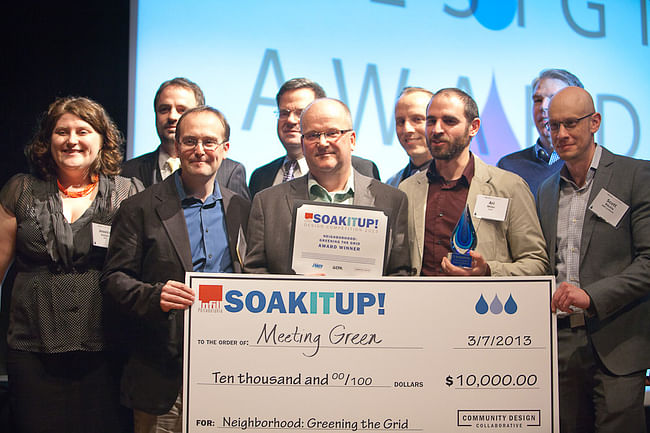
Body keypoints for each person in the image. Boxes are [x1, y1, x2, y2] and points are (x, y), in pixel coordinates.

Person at [101, 106, 250, 433]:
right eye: (190, 141)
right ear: (177, 146)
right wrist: (155, 296)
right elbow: (113, 280)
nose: (200, 150)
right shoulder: (139, 207)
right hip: (162, 372)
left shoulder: (241, 208)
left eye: (210, 142)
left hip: (227, 369)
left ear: (225, 149)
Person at [0, 97, 143, 433]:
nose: (72, 140)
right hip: (33, 343)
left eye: (83, 130)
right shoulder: (20, 190)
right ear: (47, 140)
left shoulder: (128, 192)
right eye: (61, 132)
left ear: (102, 139)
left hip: (105, 345)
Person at [537, 86, 650, 433]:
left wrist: (592, 296)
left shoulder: (636, 176)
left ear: (595, 122)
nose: (561, 134)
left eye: (571, 123)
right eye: (554, 126)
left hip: (618, 340)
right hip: (561, 345)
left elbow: (648, 261)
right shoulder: (545, 188)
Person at [244, 98, 410, 275]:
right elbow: (254, 271)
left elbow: (400, 274)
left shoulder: (392, 201)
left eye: (332, 133)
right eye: (313, 135)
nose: (322, 143)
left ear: (352, 140)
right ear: (302, 144)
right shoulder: (267, 203)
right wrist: (291, 290)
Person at [399, 88, 548, 276]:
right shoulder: (407, 189)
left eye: (449, 121)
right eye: (431, 121)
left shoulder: (509, 187)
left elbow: (537, 263)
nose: (437, 129)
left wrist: (487, 270)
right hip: (418, 303)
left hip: (481, 303)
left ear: (474, 127)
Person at [248, 78, 380, 198]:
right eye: (284, 113)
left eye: (300, 113)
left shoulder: (361, 168)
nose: (291, 120)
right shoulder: (261, 176)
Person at [121, 77, 251, 199]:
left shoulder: (230, 171)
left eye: (182, 110)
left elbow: (238, 219)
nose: (172, 116)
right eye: (164, 109)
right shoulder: (128, 170)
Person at [497, 69, 583, 198]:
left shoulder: (591, 165)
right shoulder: (508, 166)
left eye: (554, 98)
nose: (543, 106)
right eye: (537, 100)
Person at [386, 87, 433, 187]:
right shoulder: (391, 185)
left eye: (417, 119)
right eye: (401, 121)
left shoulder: (462, 179)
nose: (407, 129)